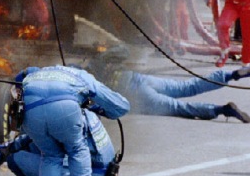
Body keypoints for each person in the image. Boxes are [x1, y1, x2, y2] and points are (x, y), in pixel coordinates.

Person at [14, 64, 129, 176]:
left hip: (31, 112)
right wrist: (102, 110)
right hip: (64, 108)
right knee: (77, 150)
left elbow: (19, 90)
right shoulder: (81, 75)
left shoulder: (36, 76)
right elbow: (120, 106)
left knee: (50, 155)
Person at [88, 46, 250, 122]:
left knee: (180, 108)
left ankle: (222, 109)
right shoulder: (98, 62)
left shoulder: (83, 89)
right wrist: (105, 54)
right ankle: (233, 74)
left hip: (138, 97)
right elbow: (124, 51)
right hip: (141, 79)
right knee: (187, 87)